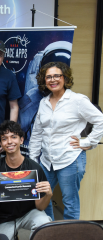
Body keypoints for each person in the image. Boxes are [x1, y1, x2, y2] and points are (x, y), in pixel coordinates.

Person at [28, 61, 103, 220]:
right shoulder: (44, 102)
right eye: (48, 77)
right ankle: (48, 231)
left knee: (70, 202)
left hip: (70, 159)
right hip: (46, 161)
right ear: (44, 80)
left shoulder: (77, 100)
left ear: (65, 78)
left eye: (57, 76)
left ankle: (70, 235)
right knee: (43, 196)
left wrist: (87, 142)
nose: (52, 80)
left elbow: (100, 120)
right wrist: (33, 159)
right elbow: (37, 133)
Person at [0, 121, 52, 240]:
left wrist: (48, 194)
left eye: (14, 137)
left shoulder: (34, 168)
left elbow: (40, 207)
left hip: (30, 213)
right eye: (4, 138)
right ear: (1, 143)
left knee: (43, 225)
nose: (9, 142)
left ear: (21, 140)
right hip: (5, 216)